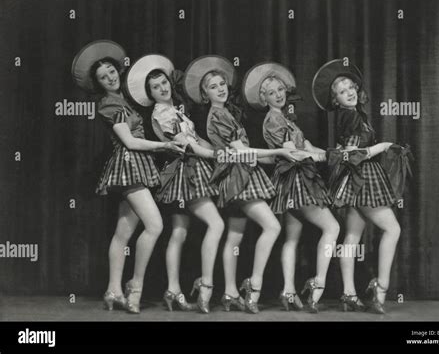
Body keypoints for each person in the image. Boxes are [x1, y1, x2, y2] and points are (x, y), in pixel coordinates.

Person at [71, 41, 184, 314]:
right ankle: (135, 284)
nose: (110, 77)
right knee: (155, 225)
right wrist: (164, 146)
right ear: (98, 84)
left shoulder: (124, 99)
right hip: (129, 164)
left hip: (138, 165)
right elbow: (130, 142)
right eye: (103, 76)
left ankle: (113, 289)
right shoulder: (109, 103)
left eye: (111, 71)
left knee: (123, 232)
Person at [183, 56, 298, 313]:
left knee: (235, 236)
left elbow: (242, 151)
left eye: (222, 83)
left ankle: (229, 292)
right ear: (204, 93)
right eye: (213, 86)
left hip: (240, 173)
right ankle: (253, 285)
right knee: (272, 226)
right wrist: (278, 152)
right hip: (239, 176)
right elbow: (240, 153)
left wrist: (277, 155)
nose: (221, 88)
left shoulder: (223, 112)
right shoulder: (219, 116)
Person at [125, 54, 224, 313]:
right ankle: (206, 286)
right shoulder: (163, 114)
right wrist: (218, 155)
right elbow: (189, 146)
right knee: (216, 223)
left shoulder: (176, 109)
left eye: (164, 82)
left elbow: (198, 139)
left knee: (179, 232)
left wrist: (217, 148)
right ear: (150, 94)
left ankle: (173, 289)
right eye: (155, 87)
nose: (162, 88)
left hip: (186, 170)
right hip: (187, 172)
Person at [243, 62, 339, 313]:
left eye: (280, 89)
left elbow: (305, 145)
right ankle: (318, 285)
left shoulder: (285, 118)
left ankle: (287, 289)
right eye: (272, 92)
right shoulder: (273, 120)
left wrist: (331, 155)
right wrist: (322, 158)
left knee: (292, 238)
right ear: (263, 99)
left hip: (292, 181)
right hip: (296, 180)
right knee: (332, 227)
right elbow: (294, 155)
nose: (278, 94)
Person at [312, 59, 401, 314]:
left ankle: (349, 294)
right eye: (342, 91)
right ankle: (380, 288)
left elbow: (346, 150)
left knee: (351, 238)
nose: (349, 92)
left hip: (357, 179)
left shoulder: (352, 114)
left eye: (351, 87)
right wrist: (382, 146)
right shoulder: (350, 116)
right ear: (336, 100)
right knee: (392, 229)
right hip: (362, 178)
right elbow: (352, 153)